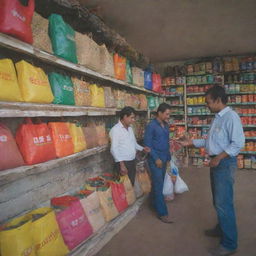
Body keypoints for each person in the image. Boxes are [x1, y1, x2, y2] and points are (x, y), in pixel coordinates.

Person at [178, 85, 245, 256]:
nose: (206, 104)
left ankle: (230, 244)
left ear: (218, 100)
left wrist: (219, 157)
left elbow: (238, 143)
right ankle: (221, 228)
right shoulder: (217, 118)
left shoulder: (231, 117)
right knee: (218, 201)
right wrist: (190, 143)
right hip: (217, 163)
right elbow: (210, 142)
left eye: (208, 102)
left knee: (224, 203)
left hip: (224, 163)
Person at [144, 103, 173, 223]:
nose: (168, 116)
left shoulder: (165, 125)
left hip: (164, 157)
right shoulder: (151, 126)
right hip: (155, 159)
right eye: (166, 114)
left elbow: (166, 141)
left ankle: (153, 203)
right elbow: (147, 145)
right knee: (158, 185)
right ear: (160, 113)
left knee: (157, 183)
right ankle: (162, 213)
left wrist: (168, 157)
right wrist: (156, 158)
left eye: (169, 114)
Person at [109, 106, 150, 185]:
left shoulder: (130, 128)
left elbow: (134, 143)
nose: (133, 120)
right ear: (125, 117)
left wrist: (143, 148)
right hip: (122, 163)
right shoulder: (115, 130)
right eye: (132, 118)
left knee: (130, 184)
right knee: (123, 187)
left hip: (131, 161)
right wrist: (122, 165)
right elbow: (114, 149)